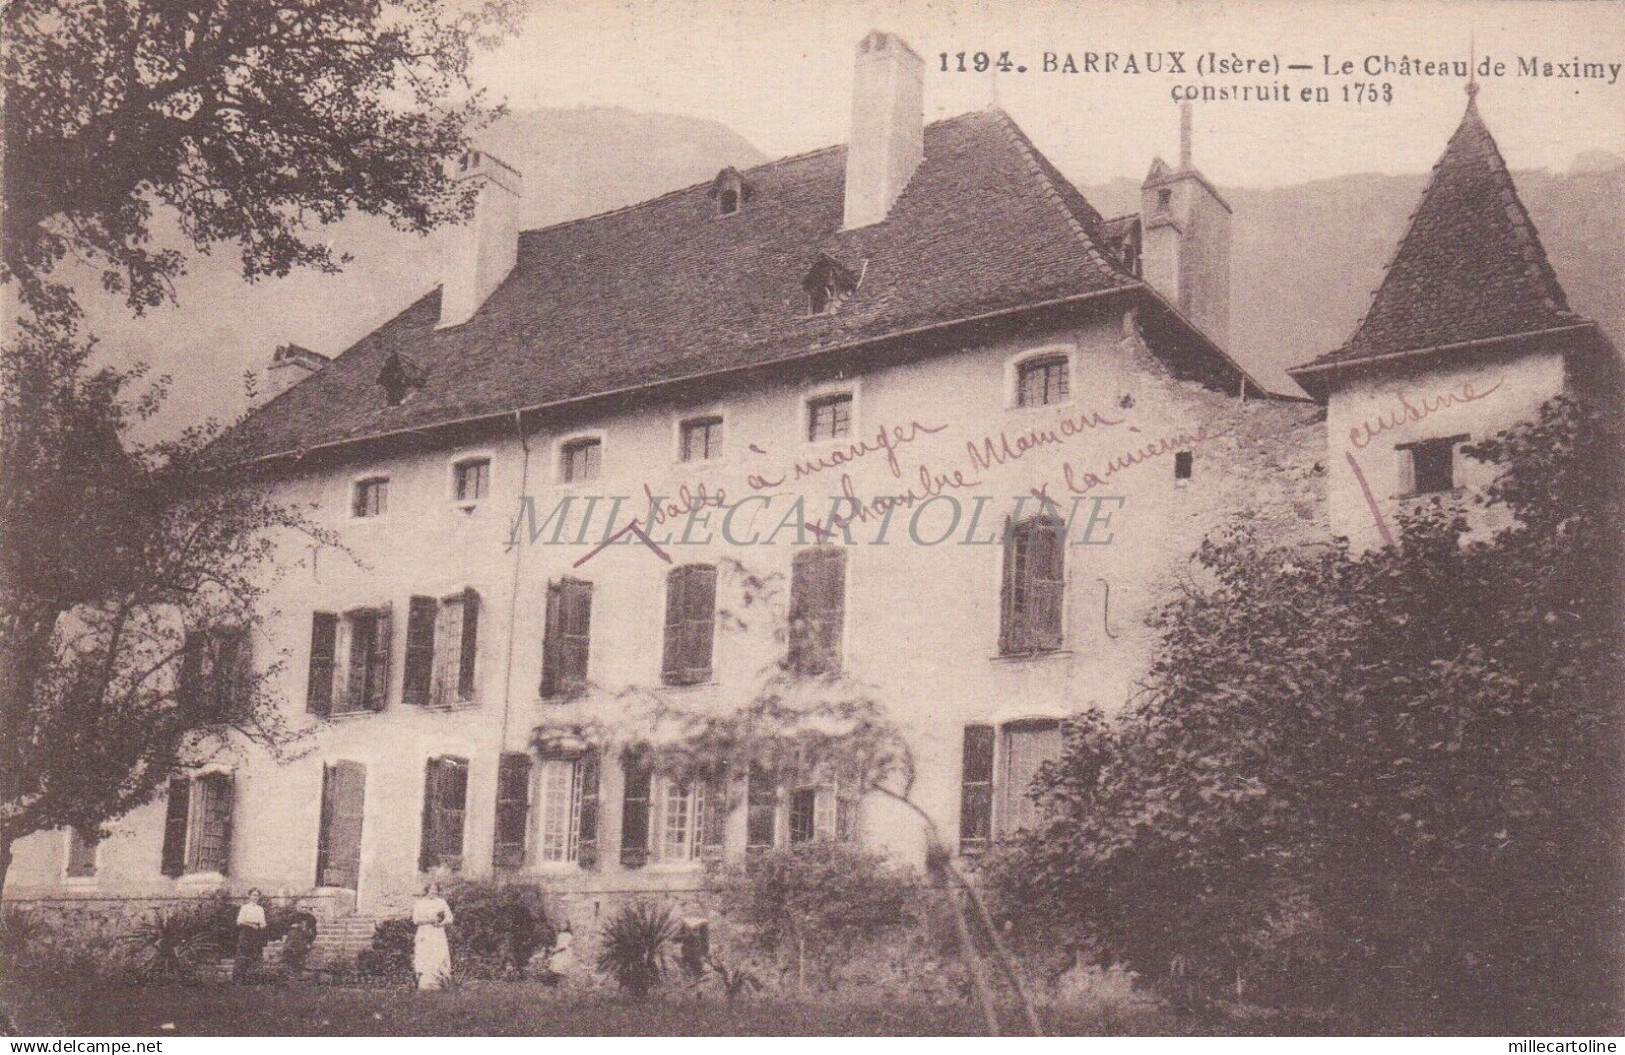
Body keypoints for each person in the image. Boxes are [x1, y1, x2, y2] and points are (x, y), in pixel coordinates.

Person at [411, 881, 454, 991]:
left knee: (438, 955)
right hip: (425, 932)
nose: (433, 892)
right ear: (426, 891)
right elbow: (415, 920)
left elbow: (450, 918)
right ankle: (424, 984)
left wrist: (441, 923)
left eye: (435, 890)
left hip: (438, 932)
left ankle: (439, 983)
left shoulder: (441, 902)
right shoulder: (420, 903)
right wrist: (429, 920)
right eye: (431, 890)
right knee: (425, 955)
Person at [232, 889, 267, 983]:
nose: (255, 897)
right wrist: (251, 925)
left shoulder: (260, 909)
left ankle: (253, 978)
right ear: (249, 896)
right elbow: (239, 922)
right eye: (253, 895)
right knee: (242, 954)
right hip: (246, 932)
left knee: (256, 953)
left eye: (257, 895)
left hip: (256, 933)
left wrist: (259, 927)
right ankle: (238, 979)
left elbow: (263, 923)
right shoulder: (245, 908)